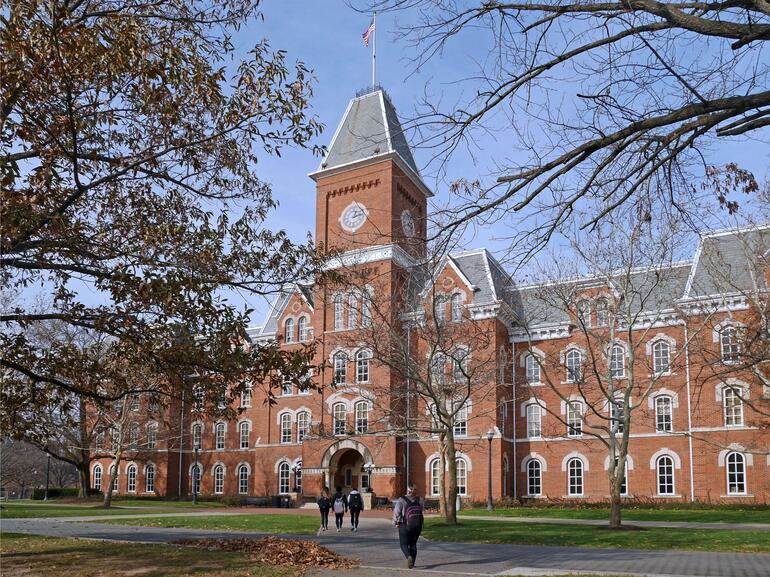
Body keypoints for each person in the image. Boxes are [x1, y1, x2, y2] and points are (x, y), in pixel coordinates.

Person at [392, 484, 424, 569]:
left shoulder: (402, 499)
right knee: (413, 544)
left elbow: (397, 512)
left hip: (404, 525)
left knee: (403, 544)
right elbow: (421, 510)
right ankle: (412, 562)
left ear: (407, 490)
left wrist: (395, 522)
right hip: (417, 525)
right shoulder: (420, 499)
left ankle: (408, 556)